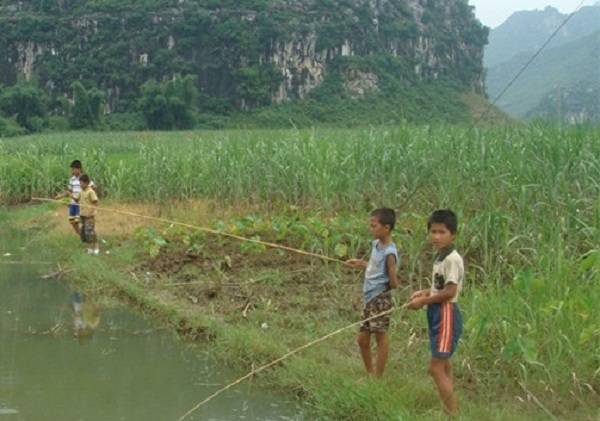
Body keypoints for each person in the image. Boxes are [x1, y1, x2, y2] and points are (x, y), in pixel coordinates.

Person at [407, 209, 464, 415]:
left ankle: (452, 414)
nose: (437, 236)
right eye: (433, 232)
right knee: (444, 363)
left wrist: (424, 300)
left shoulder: (452, 259)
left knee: (435, 368)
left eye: (442, 232)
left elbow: (450, 291)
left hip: (446, 313)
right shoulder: (441, 257)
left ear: (453, 234)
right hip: (436, 312)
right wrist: (423, 293)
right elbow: (439, 288)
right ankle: (450, 409)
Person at [346, 208, 399, 378]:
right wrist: (361, 264)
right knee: (362, 340)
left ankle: (377, 377)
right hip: (369, 298)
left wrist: (385, 288)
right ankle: (370, 373)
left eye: (374, 226)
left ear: (387, 228)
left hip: (379, 298)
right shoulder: (376, 245)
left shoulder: (390, 253)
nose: (371, 229)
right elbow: (374, 266)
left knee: (380, 337)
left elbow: (393, 281)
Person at [54, 160, 94, 235]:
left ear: (79, 169)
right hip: (73, 203)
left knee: (79, 220)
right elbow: (69, 191)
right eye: (72, 169)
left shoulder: (84, 178)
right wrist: (60, 196)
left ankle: (86, 234)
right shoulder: (72, 179)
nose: (73, 171)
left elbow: (92, 187)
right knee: (72, 221)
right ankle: (80, 235)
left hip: (81, 204)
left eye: (74, 169)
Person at [73, 174, 99, 255]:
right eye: (80, 183)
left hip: (89, 216)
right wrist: (70, 195)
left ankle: (95, 248)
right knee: (84, 232)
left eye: (81, 183)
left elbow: (95, 203)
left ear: (87, 183)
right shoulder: (81, 192)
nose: (80, 185)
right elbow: (77, 200)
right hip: (82, 215)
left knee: (90, 232)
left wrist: (90, 213)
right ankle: (89, 248)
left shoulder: (90, 192)